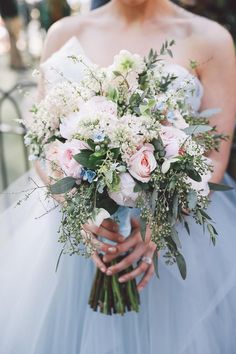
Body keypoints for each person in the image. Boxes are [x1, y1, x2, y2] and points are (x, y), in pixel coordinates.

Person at [0, 0, 236, 353]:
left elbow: (214, 159)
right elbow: (43, 146)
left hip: (171, 237)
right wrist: (81, 213)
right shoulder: (64, 33)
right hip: (79, 242)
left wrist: (158, 228)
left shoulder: (210, 39)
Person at [0, 0, 25, 70]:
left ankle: (14, 62)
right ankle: (17, 63)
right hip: (10, 17)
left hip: (9, 17)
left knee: (13, 40)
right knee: (14, 40)